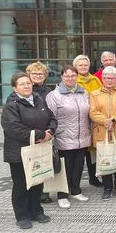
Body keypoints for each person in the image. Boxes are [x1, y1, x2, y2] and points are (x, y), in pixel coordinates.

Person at [1, 72, 57, 229]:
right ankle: (22, 215)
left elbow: (52, 118)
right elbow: (14, 128)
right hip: (19, 152)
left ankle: (36, 211)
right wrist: (40, 134)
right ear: (15, 88)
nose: (26, 86)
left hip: (38, 149)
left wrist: (50, 132)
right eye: (22, 84)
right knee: (21, 184)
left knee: (37, 181)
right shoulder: (12, 105)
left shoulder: (38, 100)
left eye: (28, 83)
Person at [46, 65, 91, 209]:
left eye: (73, 75)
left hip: (82, 136)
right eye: (67, 76)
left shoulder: (84, 93)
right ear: (62, 77)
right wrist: (53, 135)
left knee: (78, 166)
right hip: (63, 137)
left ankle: (76, 190)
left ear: (77, 76)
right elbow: (50, 117)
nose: (70, 78)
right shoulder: (54, 95)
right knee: (65, 168)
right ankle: (63, 195)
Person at [89, 66, 116, 200]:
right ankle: (107, 187)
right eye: (107, 78)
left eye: (112, 78)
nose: (109, 80)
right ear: (102, 79)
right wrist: (105, 121)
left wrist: (113, 119)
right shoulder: (94, 94)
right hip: (102, 130)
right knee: (105, 159)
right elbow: (92, 111)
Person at [25, 61, 53, 203]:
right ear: (28, 75)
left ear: (45, 76)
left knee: (44, 162)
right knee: (30, 163)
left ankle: (43, 193)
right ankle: (30, 193)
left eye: (40, 73)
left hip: (46, 134)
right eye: (34, 73)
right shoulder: (24, 90)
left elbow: (52, 113)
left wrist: (50, 131)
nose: (37, 76)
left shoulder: (49, 91)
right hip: (28, 135)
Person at [73, 54, 103, 188]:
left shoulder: (95, 79)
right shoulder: (73, 80)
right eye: (80, 65)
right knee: (79, 152)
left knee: (93, 151)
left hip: (95, 119)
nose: (83, 67)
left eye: (85, 65)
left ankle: (93, 177)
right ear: (75, 67)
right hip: (80, 120)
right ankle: (74, 182)